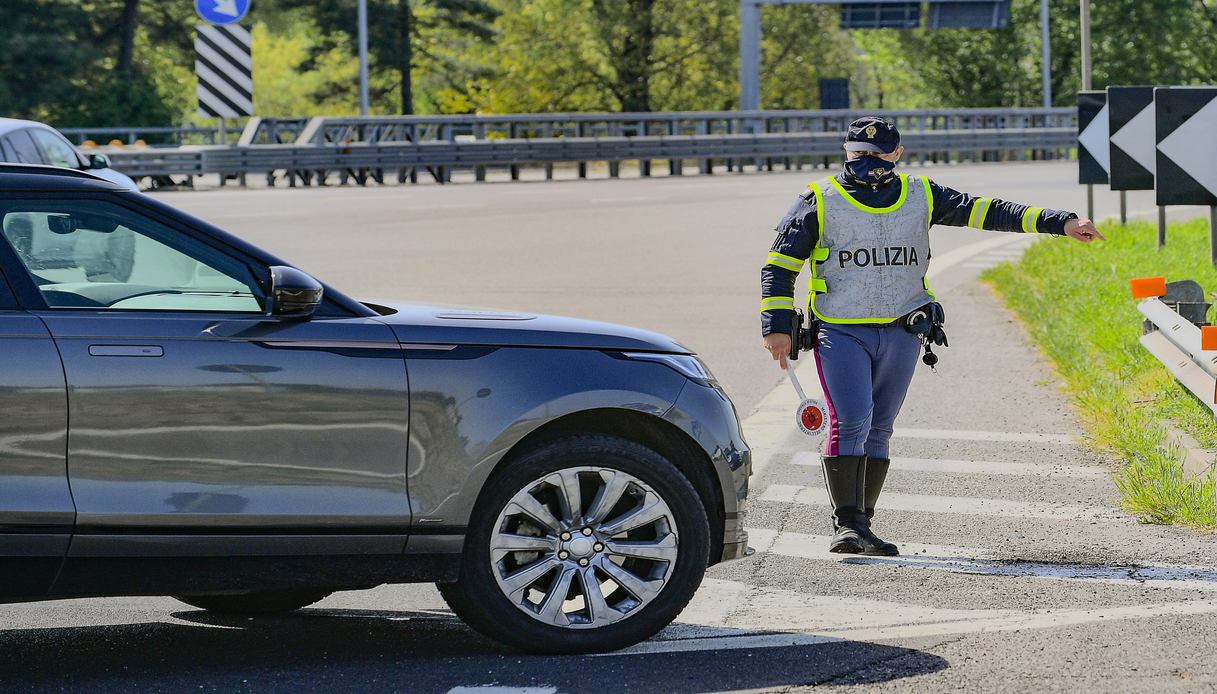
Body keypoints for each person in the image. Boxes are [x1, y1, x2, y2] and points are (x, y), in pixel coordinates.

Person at [759, 116, 1103, 556]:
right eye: (856, 153)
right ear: (845, 151)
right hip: (840, 331)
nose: (865, 161)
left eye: (876, 154)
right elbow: (779, 265)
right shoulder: (819, 199)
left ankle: (862, 526)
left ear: (896, 154)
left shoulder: (921, 194)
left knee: (880, 426)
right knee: (852, 418)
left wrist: (1062, 222)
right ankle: (847, 525)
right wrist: (776, 326)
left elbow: (987, 210)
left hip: (903, 328)